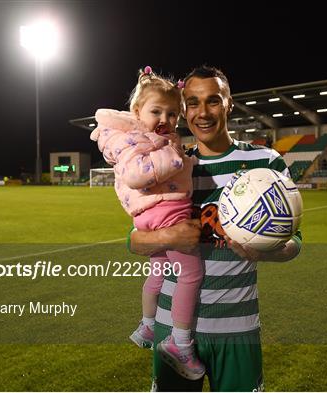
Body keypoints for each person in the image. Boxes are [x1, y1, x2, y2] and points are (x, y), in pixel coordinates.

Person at [129, 66, 302, 391]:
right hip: (170, 330)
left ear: (229, 103)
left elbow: (295, 241)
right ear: (183, 109)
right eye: (192, 103)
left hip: (237, 329)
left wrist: (269, 250)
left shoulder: (267, 163)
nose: (202, 112)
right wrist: (167, 236)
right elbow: (135, 240)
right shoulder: (170, 164)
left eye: (212, 101)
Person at [90, 66, 205, 380]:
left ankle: (148, 326)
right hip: (167, 211)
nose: (165, 121)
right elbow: (137, 174)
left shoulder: (149, 138)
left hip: (150, 215)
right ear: (137, 112)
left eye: (172, 115)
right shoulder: (137, 141)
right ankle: (180, 343)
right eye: (157, 112)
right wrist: (178, 159)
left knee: (158, 273)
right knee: (191, 273)